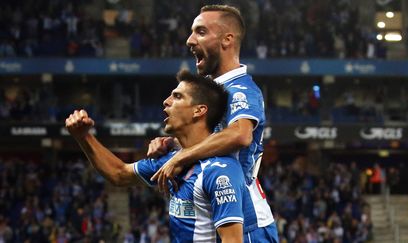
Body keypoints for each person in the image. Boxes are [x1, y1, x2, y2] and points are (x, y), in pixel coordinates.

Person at [66, 70, 248, 242]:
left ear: (199, 110)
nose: (166, 102)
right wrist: (83, 137)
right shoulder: (171, 161)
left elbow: (232, 240)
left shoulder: (220, 171)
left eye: (177, 96)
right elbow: (119, 174)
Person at [148, 4, 278, 242]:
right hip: (217, 212)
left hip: (247, 221)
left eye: (200, 32)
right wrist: (172, 144)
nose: (189, 40)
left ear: (227, 40)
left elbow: (240, 135)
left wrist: (182, 156)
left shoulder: (241, 89)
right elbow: (210, 139)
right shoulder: (211, 90)